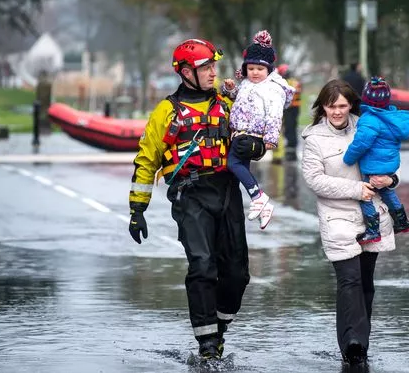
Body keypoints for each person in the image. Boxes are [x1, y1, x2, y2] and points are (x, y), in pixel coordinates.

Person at [128, 38, 250, 360]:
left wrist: (257, 146)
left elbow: (256, 137)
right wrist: (137, 210)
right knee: (203, 266)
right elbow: (146, 160)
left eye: (213, 66)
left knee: (237, 274)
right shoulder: (166, 113)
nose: (213, 73)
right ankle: (208, 346)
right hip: (190, 195)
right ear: (185, 72)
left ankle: (219, 330)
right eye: (205, 68)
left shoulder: (227, 104)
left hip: (228, 192)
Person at [301, 79, 397, 366]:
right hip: (336, 218)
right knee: (349, 280)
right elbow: (314, 180)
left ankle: (361, 342)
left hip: (372, 216)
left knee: (366, 282)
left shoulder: (369, 125)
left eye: (342, 105)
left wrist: (391, 179)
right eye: (331, 106)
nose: (337, 112)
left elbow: (389, 162)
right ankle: (352, 343)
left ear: (352, 104)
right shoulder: (314, 138)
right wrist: (355, 190)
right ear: (323, 107)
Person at [220, 30, 295, 229]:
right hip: (239, 131)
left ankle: (258, 196)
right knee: (240, 168)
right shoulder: (246, 84)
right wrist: (229, 90)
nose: (254, 72)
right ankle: (262, 205)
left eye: (259, 69)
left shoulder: (272, 89)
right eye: (251, 68)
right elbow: (240, 100)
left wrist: (270, 138)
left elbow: (274, 114)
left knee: (233, 164)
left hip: (251, 133)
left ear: (269, 70)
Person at [343, 77, 409, 243]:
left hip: (374, 165)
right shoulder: (391, 118)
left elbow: (361, 144)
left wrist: (348, 158)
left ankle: (373, 230)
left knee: (365, 196)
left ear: (365, 98)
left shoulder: (369, 119)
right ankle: (402, 221)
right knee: (388, 192)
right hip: (389, 165)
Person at [276, 63, 303, 162]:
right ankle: (291, 151)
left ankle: (291, 152)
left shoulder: (287, 83)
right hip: (294, 108)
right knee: (291, 129)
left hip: (289, 109)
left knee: (289, 129)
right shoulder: (295, 82)